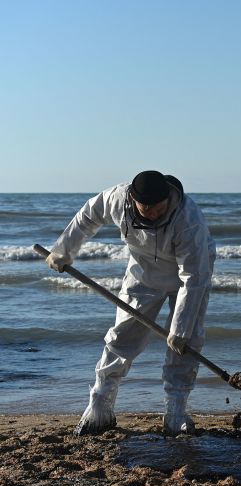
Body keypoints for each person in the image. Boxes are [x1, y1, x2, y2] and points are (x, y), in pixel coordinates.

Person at [45, 170, 216, 436]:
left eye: (159, 208)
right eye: (145, 208)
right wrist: (63, 251)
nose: (152, 213)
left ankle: (175, 412)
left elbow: (193, 280)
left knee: (187, 342)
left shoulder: (188, 220)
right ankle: (100, 405)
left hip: (190, 275)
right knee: (122, 335)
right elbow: (88, 215)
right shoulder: (117, 198)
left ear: (168, 200)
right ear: (133, 200)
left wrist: (180, 330)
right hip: (143, 272)